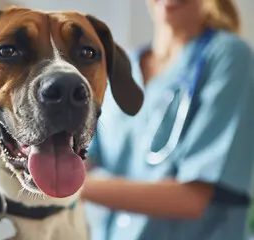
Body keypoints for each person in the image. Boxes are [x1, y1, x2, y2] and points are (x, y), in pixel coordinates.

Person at [82, 0, 254, 239]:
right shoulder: (121, 67)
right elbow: (84, 158)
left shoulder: (229, 56)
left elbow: (193, 199)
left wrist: (70, 186)